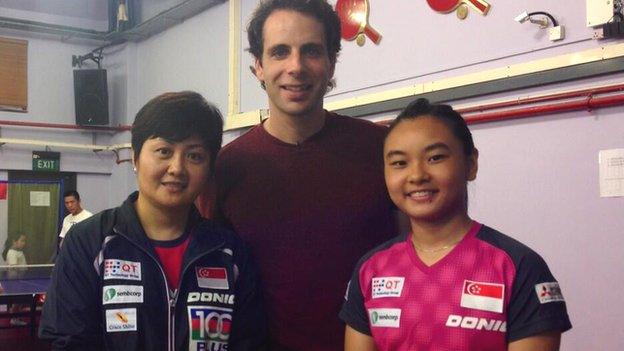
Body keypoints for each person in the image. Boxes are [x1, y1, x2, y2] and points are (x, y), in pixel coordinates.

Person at [197, 1, 397, 349]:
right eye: (279, 52)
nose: (296, 67)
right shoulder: (225, 170)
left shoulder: (382, 150)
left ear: (332, 61)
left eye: (311, 51)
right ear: (258, 66)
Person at [39, 91, 266, 350]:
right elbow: (67, 340)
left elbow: (250, 342)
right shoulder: (88, 243)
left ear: (210, 168)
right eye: (164, 151)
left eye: (194, 156)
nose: (177, 168)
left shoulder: (230, 252)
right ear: (135, 157)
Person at [340, 98, 572, 350]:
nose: (417, 175)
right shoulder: (371, 269)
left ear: (470, 164)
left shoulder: (520, 267)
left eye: (435, 157)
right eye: (399, 163)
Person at [2, 232, 28, 326]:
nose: (24, 243)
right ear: (14, 241)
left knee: (19, 301)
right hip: (15, 281)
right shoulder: (12, 253)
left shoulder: (19, 251)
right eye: (22, 240)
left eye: (24, 241)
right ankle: (14, 318)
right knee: (17, 301)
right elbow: (13, 269)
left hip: (20, 280)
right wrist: (18, 281)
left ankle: (16, 317)